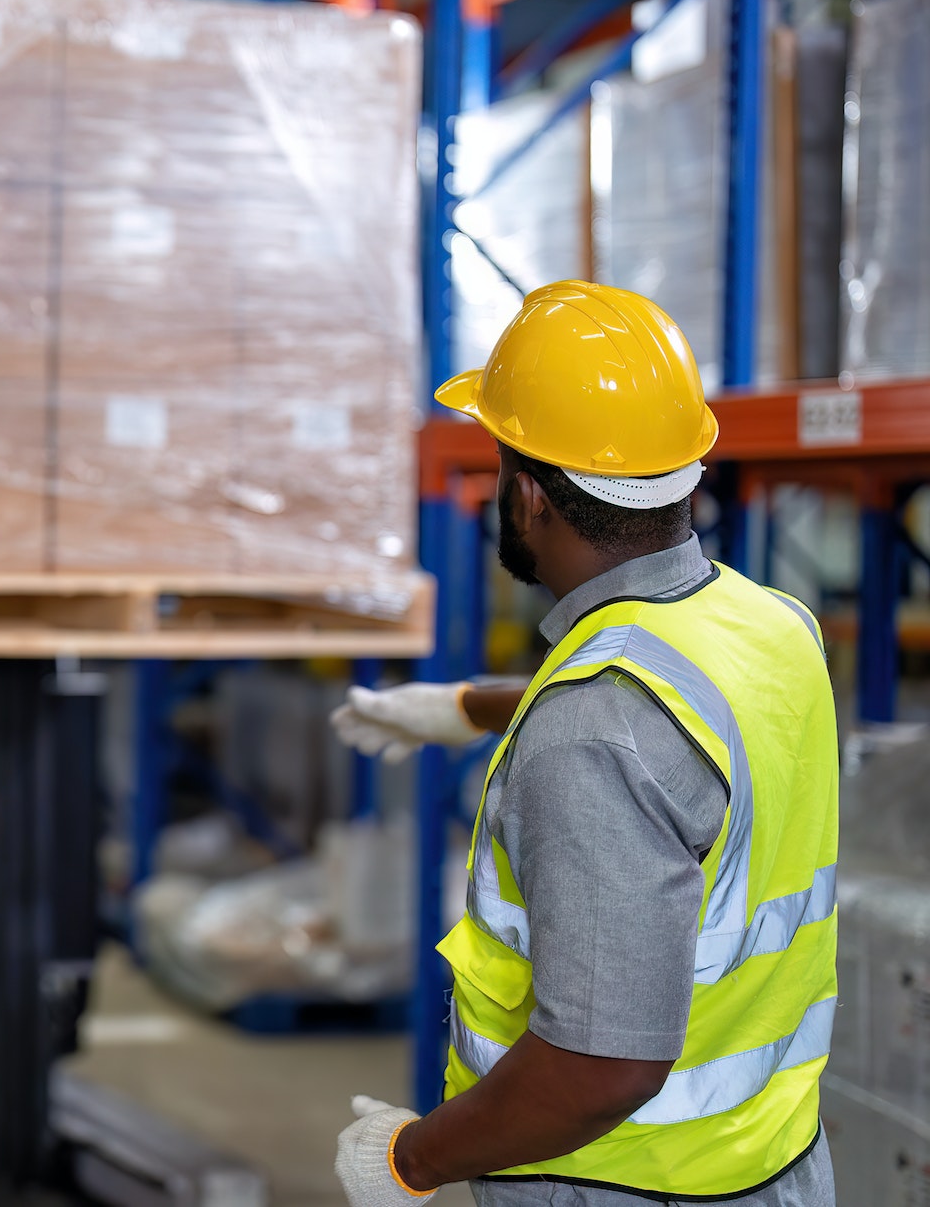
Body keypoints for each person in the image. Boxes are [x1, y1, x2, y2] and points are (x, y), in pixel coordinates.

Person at [330, 282, 837, 1206]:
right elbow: (675, 746)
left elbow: (601, 1066)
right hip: (774, 1165)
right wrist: (471, 707)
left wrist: (410, 1159)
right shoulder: (775, 626)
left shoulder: (594, 730)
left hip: (619, 1183)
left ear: (527, 498)